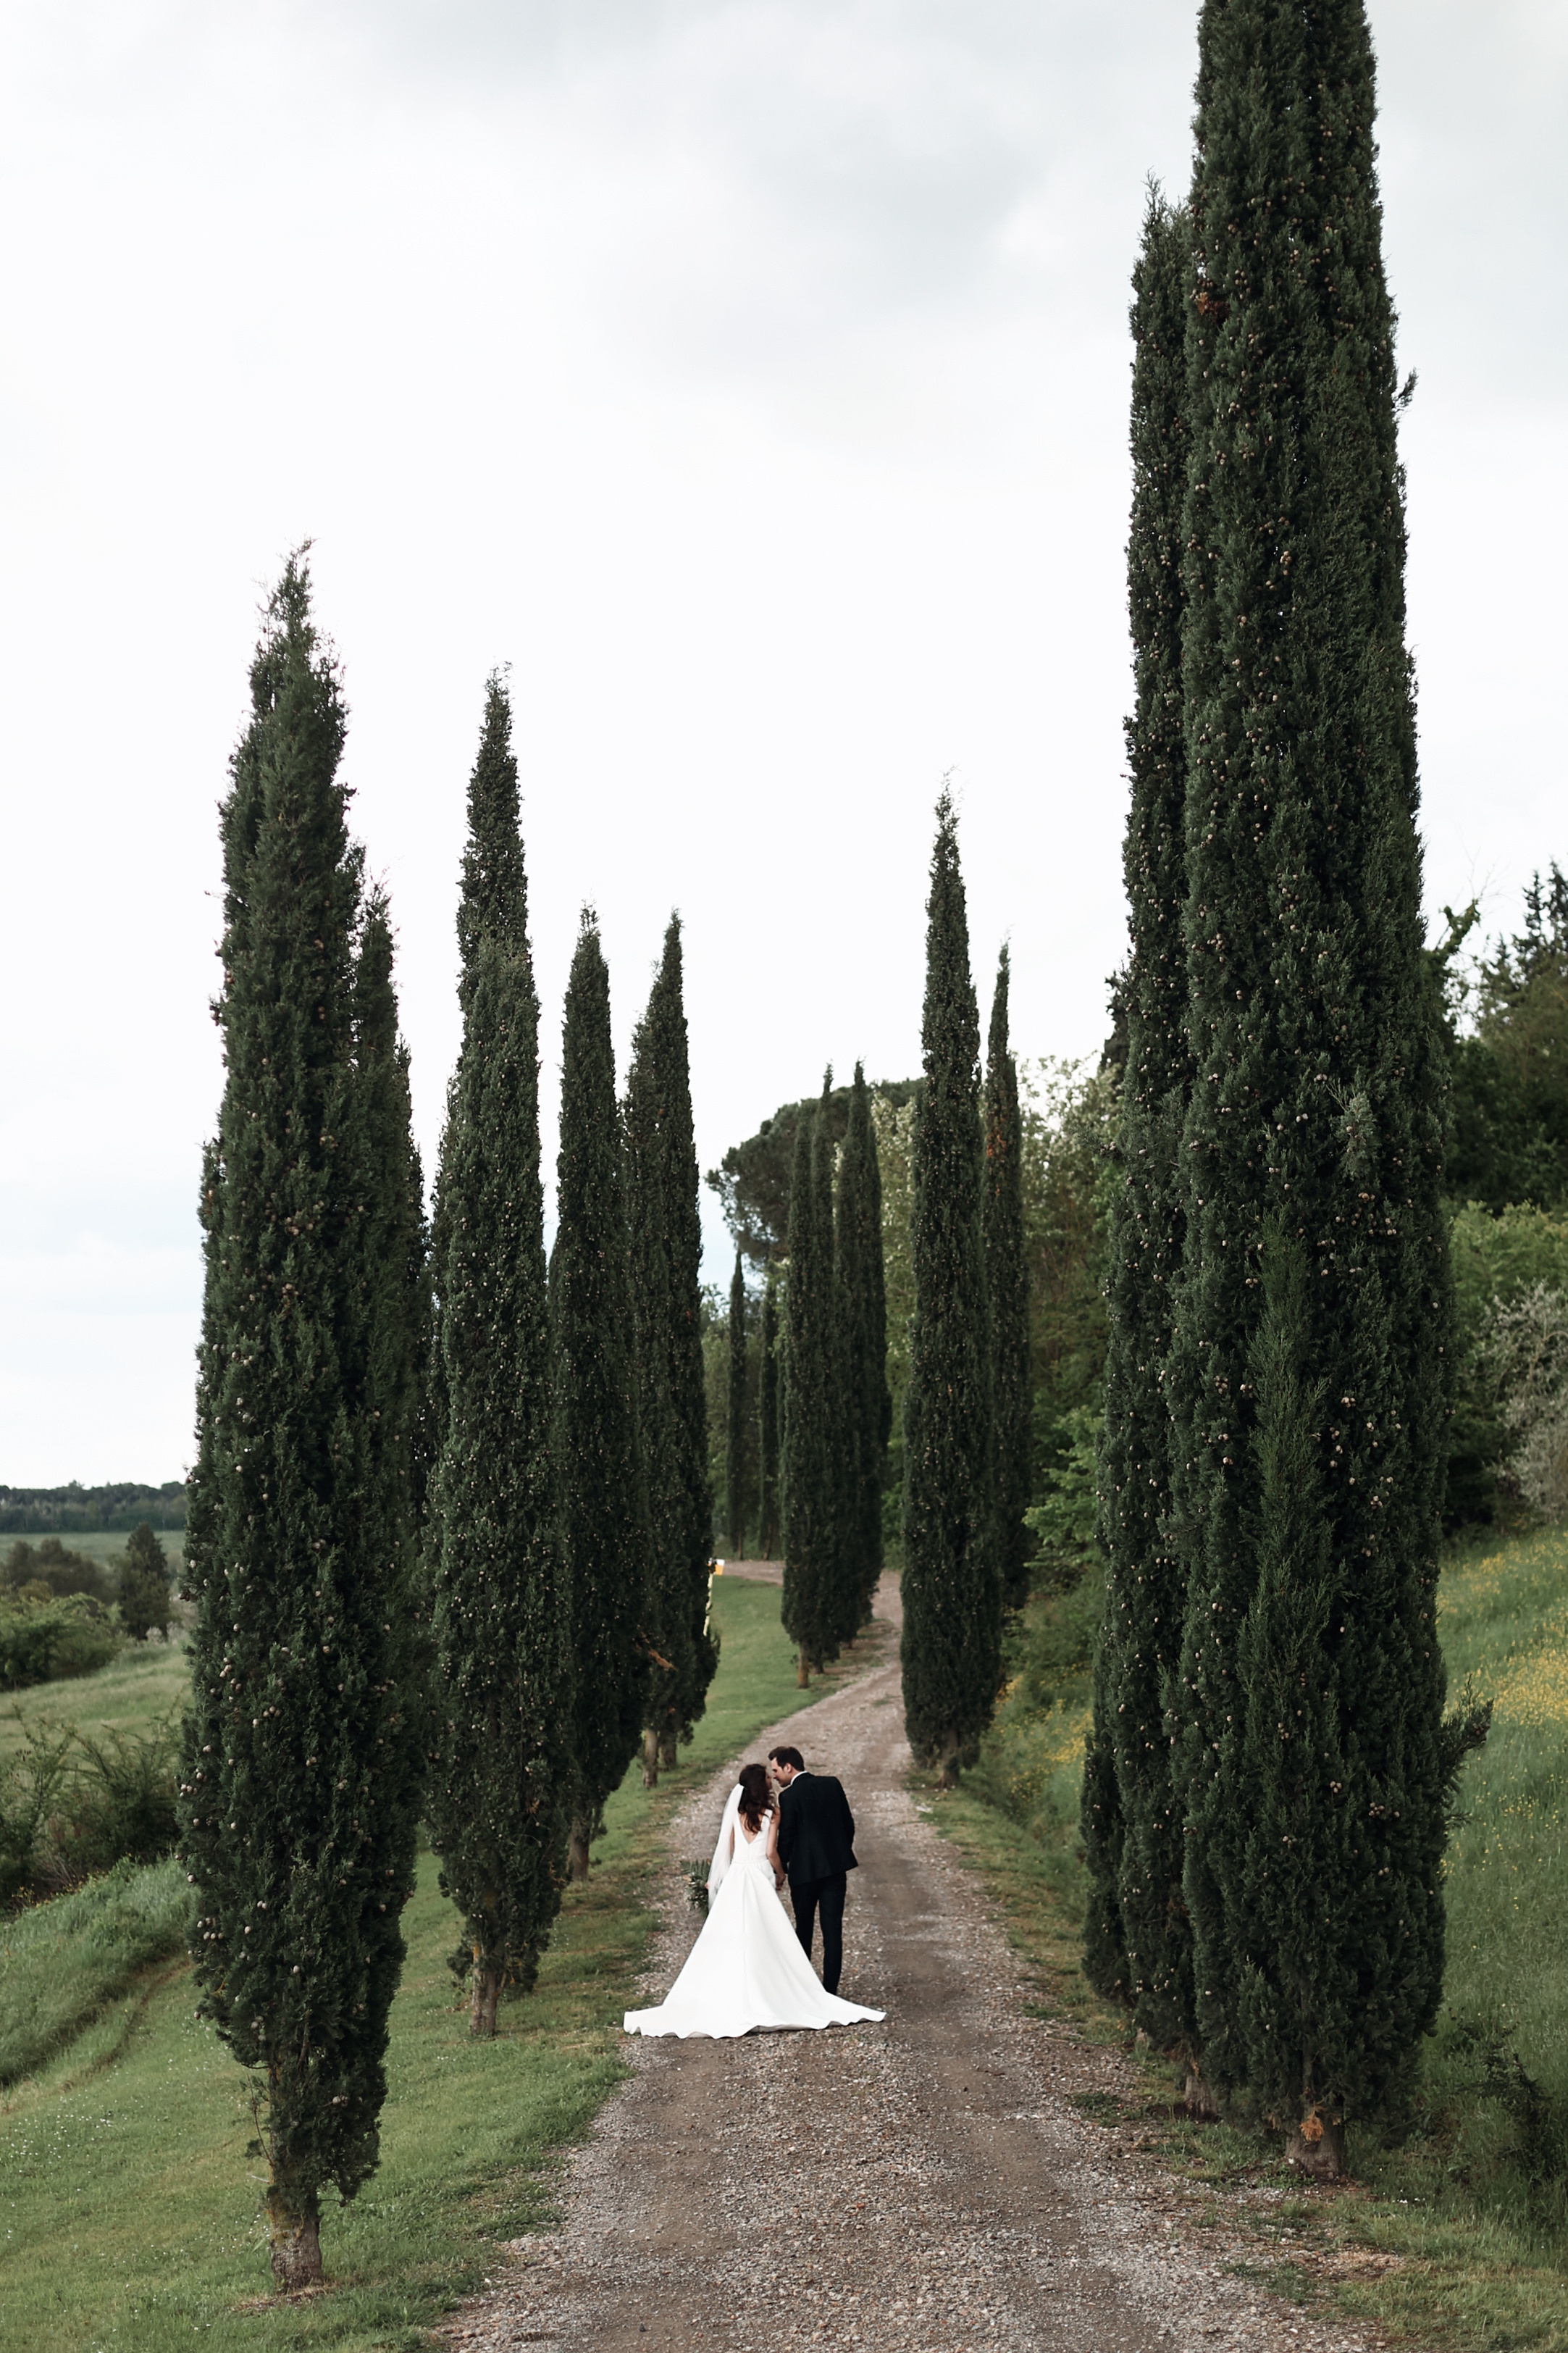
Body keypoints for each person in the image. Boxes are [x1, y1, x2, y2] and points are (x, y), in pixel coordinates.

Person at [622, 1761, 883, 2039]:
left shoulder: (735, 1811)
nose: (772, 1779)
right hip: (759, 1876)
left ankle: (730, 1991)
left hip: (738, 1875)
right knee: (766, 1934)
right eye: (767, 1777)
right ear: (761, 1785)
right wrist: (780, 1874)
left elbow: (728, 1848)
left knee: (732, 1934)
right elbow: (771, 1852)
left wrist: (718, 1877)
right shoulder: (773, 1813)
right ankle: (775, 1991)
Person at [768, 1742, 858, 1997]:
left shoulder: (789, 1797)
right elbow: (848, 1825)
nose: (774, 1776)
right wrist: (837, 1855)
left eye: (776, 1770)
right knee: (833, 1931)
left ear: (789, 1766)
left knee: (804, 1929)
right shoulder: (832, 1784)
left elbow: (786, 1839)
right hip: (835, 1871)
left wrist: (780, 1870)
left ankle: (804, 1991)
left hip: (804, 1875)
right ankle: (830, 1992)